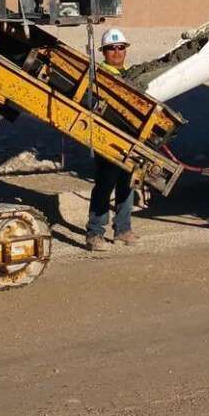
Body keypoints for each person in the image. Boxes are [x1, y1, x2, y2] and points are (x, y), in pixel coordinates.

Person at [86, 27, 139, 250]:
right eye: (111, 48)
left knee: (127, 185)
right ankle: (94, 234)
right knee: (105, 184)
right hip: (108, 139)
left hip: (130, 139)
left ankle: (123, 230)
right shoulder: (99, 76)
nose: (116, 52)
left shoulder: (131, 75)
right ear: (103, 52)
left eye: (120, 48)